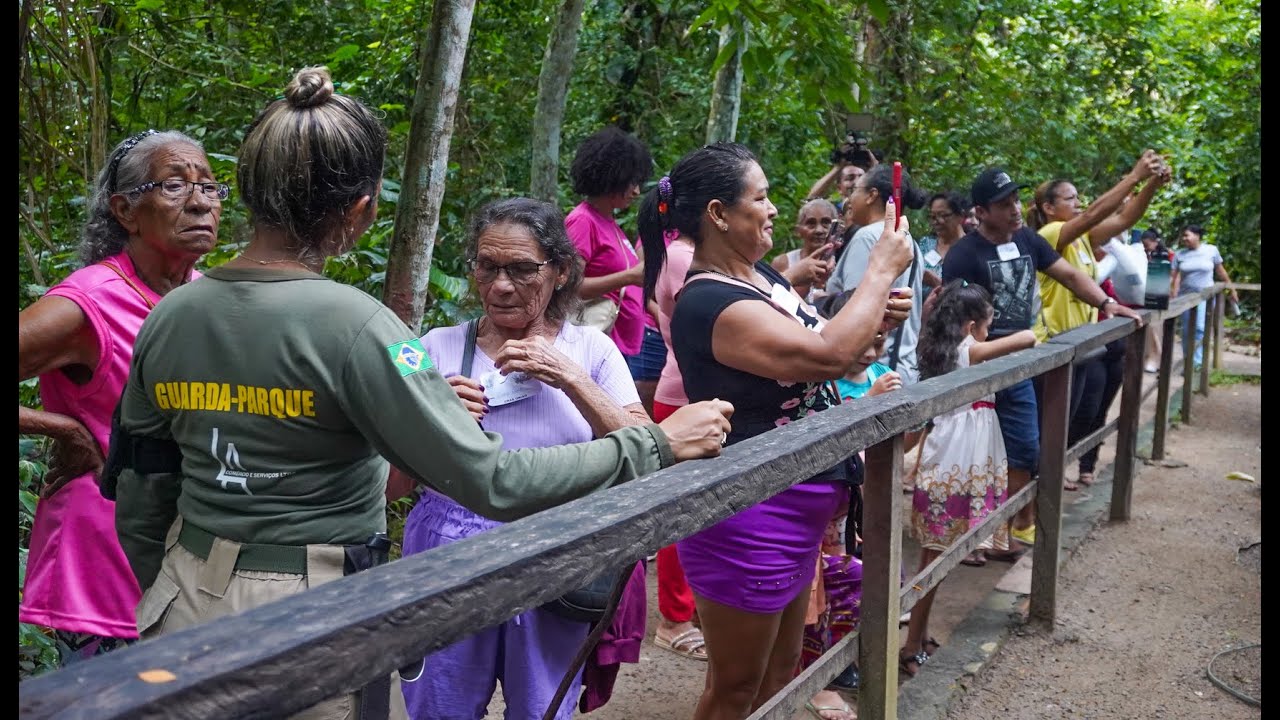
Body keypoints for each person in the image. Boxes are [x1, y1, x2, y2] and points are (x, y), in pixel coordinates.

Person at [108, 67, 733, 719]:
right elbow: (491, 479)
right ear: (362, 208)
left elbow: (143, 484)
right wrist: (653, 443)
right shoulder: (371, 330)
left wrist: (161, 584)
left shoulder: (169, 315)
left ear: (244, 191)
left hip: (182, 601)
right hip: (309, 613)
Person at [638, 142, 914, 720]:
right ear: (718, 213)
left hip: (800, 504)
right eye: (760, 198)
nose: (771, 209)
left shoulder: (761, 277)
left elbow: (837, 349)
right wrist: (881, 270)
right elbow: (824, 356)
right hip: (749, 514)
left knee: (782, 675)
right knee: (735, 687)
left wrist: (876, 314)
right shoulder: (708, 300)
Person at [398, 198, 650, 720]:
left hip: (555, 548)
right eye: (487, 267)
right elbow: (389, 486)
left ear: (559, 272)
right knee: (439, 706)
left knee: (542, 706)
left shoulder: (593, 351)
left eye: (521, 269)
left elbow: (648, 447)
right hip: (446, 551)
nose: (501, 286)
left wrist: (570, 378)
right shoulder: (429, 349)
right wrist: (433, 422)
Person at [18, 129, 225, 664]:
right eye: (175, 186)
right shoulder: (89, 302)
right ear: (125, 210)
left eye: (209, 186)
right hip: (104, 554)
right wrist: (65, 429)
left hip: (186, 550)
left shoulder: (205, 296)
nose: (202, 201)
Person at [941, 167, 1142, 548]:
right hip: (982, 364)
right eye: (1004, 204)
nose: (1015, 209)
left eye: (1016, 200)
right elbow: (948, 319)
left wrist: (1106, 302)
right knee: (976, 450)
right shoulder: (964, 255)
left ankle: (1007, 525)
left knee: (1026, 448)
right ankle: (977, 535)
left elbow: (1068, 275)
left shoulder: (1028, 240)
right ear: (981, 212)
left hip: (1027, 358)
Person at [900, 280, 1037, 677]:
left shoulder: (944, 351)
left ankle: (919, 636)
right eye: (987, 323)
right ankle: (911, 645)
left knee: (937, 552)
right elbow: (1027, 337)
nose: (991, 332)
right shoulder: (969, 350)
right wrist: (994, 331)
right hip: (959, 457)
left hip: (956, 451)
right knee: (936, 553)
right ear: (971, 324)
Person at [1027, 152, 1168, 490]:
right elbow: (1094, 214)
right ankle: (1033, 497)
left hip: (1083, 345)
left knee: (1082, 416)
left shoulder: (1083, 240)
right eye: (1070, 198)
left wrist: (1151, 186)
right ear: (1048, 207)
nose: (1079, 203)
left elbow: (1123, 221)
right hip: (1054, 347)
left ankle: (1047, 479)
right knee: (1050, 424)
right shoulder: (1050, 234)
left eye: (1079, 197)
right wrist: (1134, 176)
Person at [643, 220, 706, 662]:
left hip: (688, 393)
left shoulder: (676, 254)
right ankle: (674, 619)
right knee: (681, 510)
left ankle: (691, 610)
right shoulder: (682, 256)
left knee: (698, 509)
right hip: (683, 395)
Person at [565, 126, 653, 398]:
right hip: (597, 345)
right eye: (631, 182)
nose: (636, 190)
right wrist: (628, 277)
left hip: (618, 345)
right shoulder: (583, 221)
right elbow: (570, 286)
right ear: (612, 179)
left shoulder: (610, 223)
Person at [827, 163, 929, 384]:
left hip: (871, 371)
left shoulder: (868, 237)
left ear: (871, 195)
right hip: (901, 366)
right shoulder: (906, 239)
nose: (849, 199)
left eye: (855, 190)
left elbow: (853, 305)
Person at [1171, 224, 1238, 369]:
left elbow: (1221, 271)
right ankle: (1188, 362)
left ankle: (1198, 363)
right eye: (1183, 236)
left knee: (1200, 327)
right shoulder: (1180, 254)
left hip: (1205, 297)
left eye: (1187, 235)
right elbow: (1174, 277)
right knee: (1187, 330)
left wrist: (1231, 289)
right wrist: (1172, 296)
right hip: (1185, 298)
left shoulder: (1211, 250)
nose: (1184, 239)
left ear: (1197, 236)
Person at [770, 199, 838, 302]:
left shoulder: (843, 259)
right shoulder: (783, 262)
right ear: (798, 230)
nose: (819, 230)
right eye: (811, 223)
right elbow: (772, 299)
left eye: (825, 223)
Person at [918, 192, 970, 302]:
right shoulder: (925, 244)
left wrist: (937, 283)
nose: (938, 221)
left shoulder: (971, 248)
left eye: (944, 216)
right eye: (933, 217)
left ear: (960, 216)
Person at [1139, 230, 1173, 372]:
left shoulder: (1168, 255)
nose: (1146, 248)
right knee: (1150, 328)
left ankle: (1159, 358)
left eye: (1148, 245)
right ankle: (1152, 358)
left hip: (1162, 294)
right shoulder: (1145, 255)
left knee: (1156, 327)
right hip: (1148, 295)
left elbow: (1173, 274)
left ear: (1155, 242)